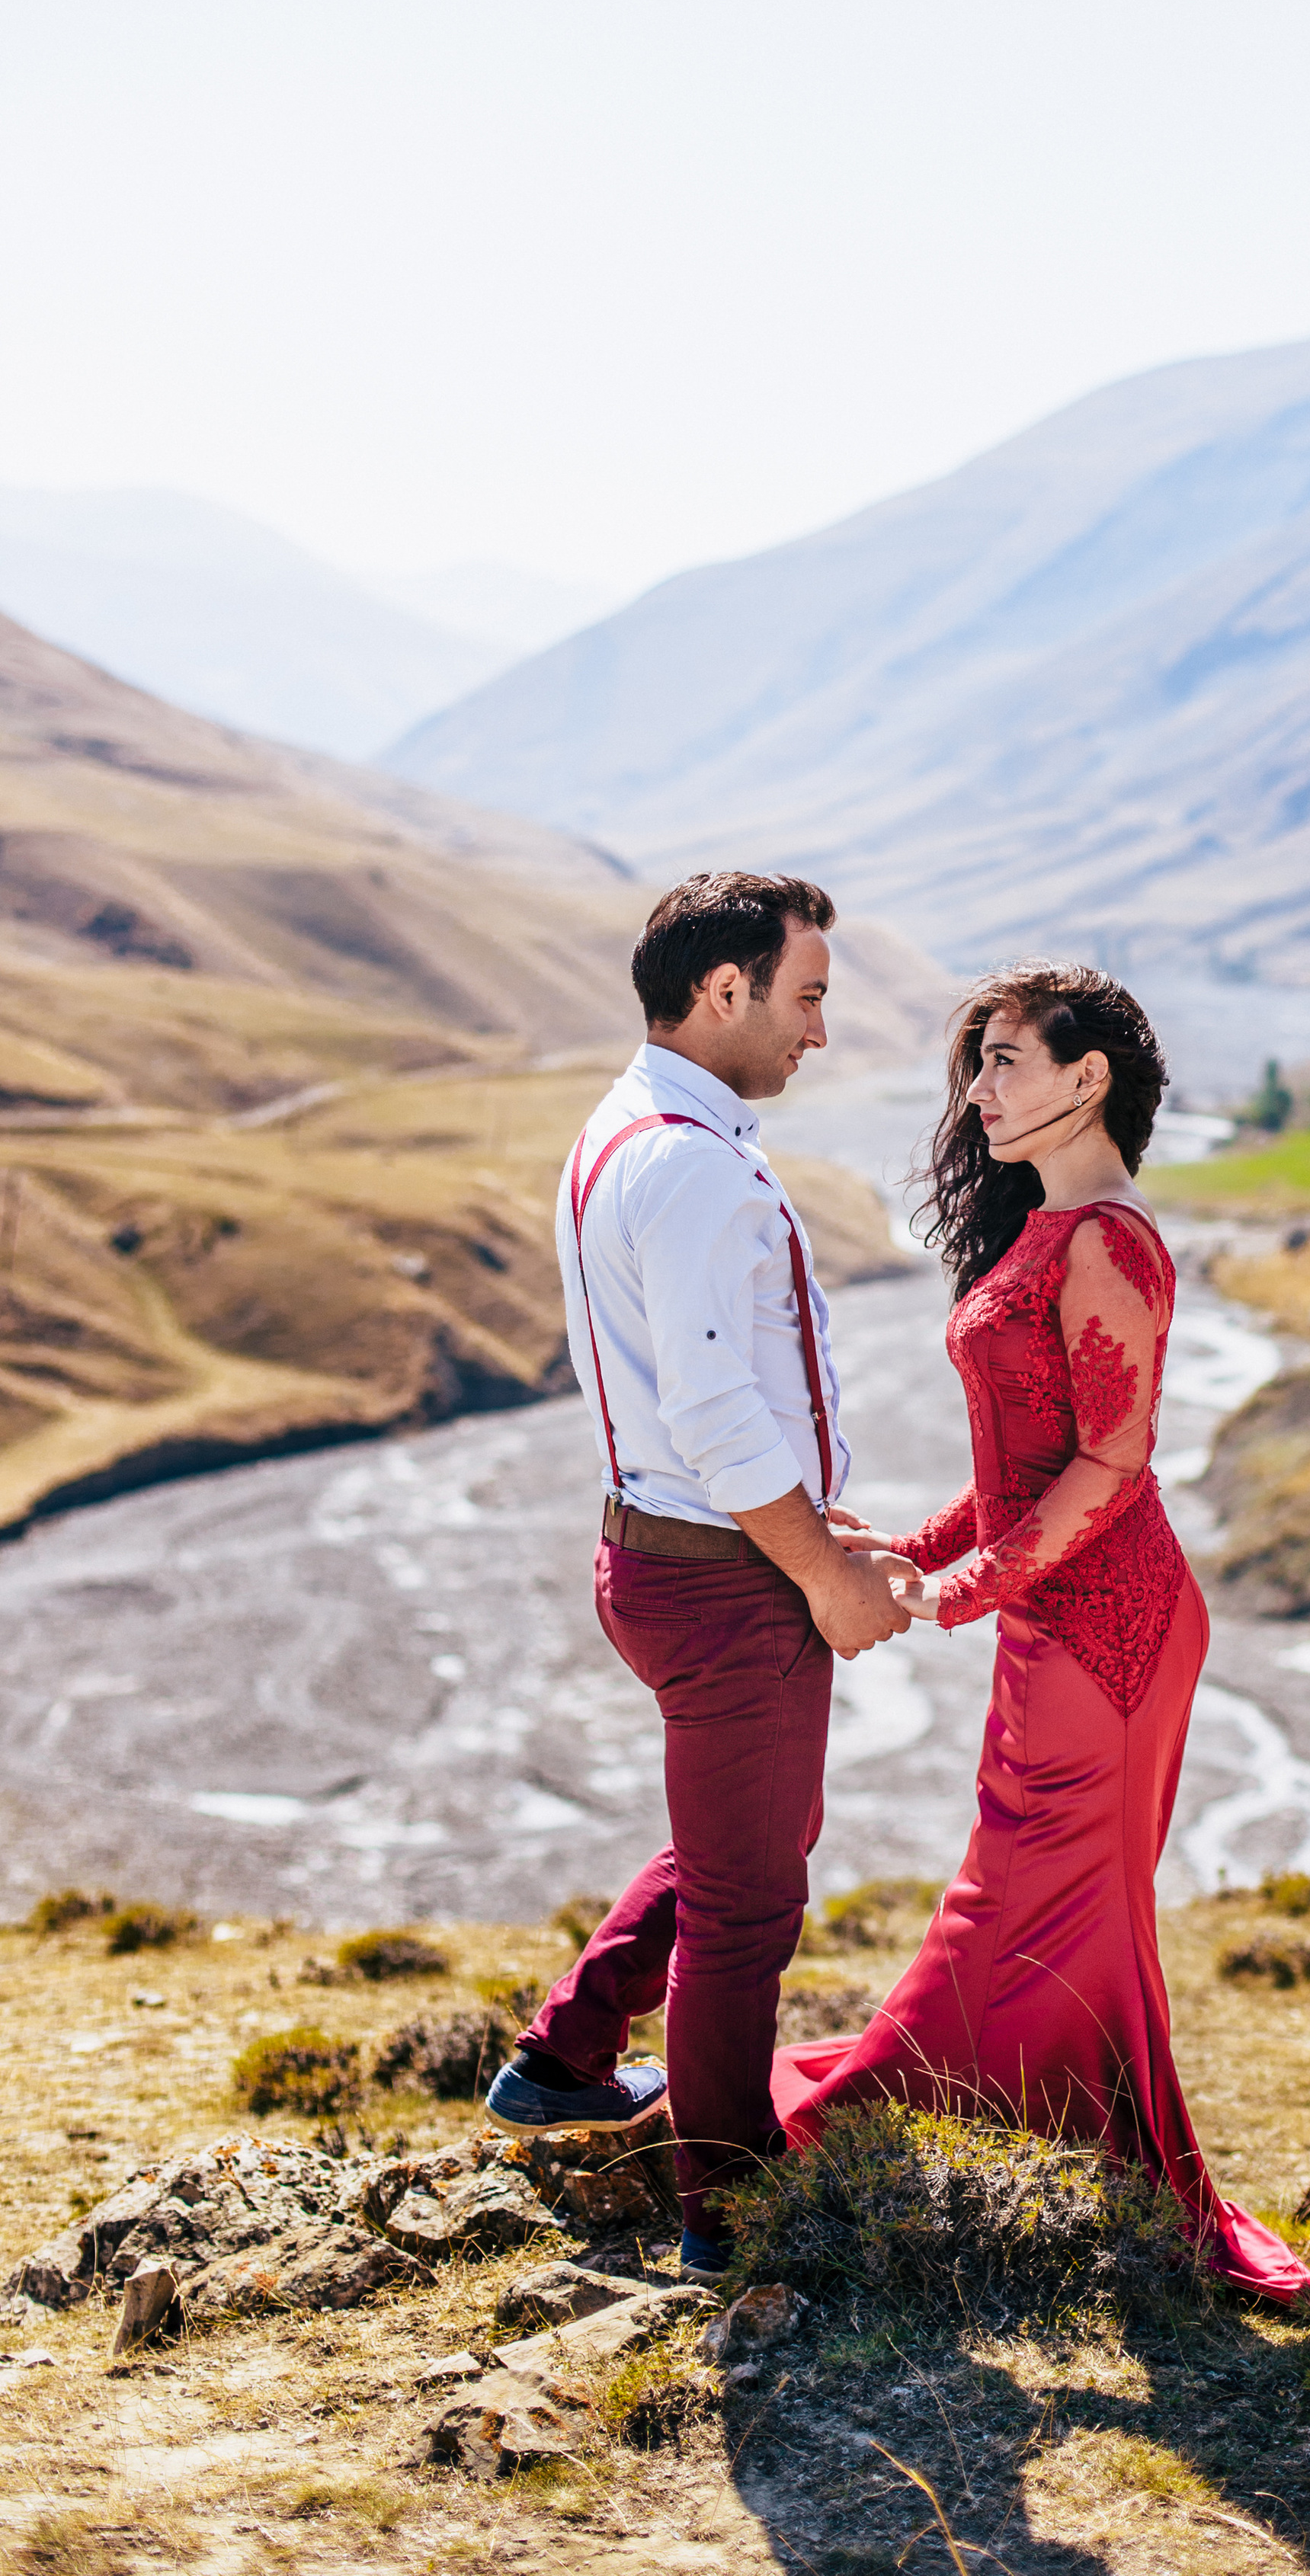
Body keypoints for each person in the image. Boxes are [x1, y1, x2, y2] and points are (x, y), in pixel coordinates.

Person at [774, 963, 1310, 2304]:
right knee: (1036, 1901)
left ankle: (910, 2123)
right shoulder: (1041, 1229)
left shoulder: (1111, 1245)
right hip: (1053, 1609)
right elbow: (1029, 1468)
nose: (979, 1090)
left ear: (1090, 1080)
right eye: (977, 1064)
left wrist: (959, 1593)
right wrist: (917, 1547)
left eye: (1005, 1061)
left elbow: (1112, 1466)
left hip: (1113, 1630)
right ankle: (1045, 2140)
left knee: (1023, 1901)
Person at [485, 870, 920, 2280]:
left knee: (735, 1838)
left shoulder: (634, 1125)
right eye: (805, 998)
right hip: (725, 1576)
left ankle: (564, 2054)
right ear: (723, 991)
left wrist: (805, 1535)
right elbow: (719, 1418)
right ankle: (725, 2212)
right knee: (749, 1905)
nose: (820, 1032)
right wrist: (824, 1574)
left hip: (679, 1555)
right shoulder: (685, 1161)